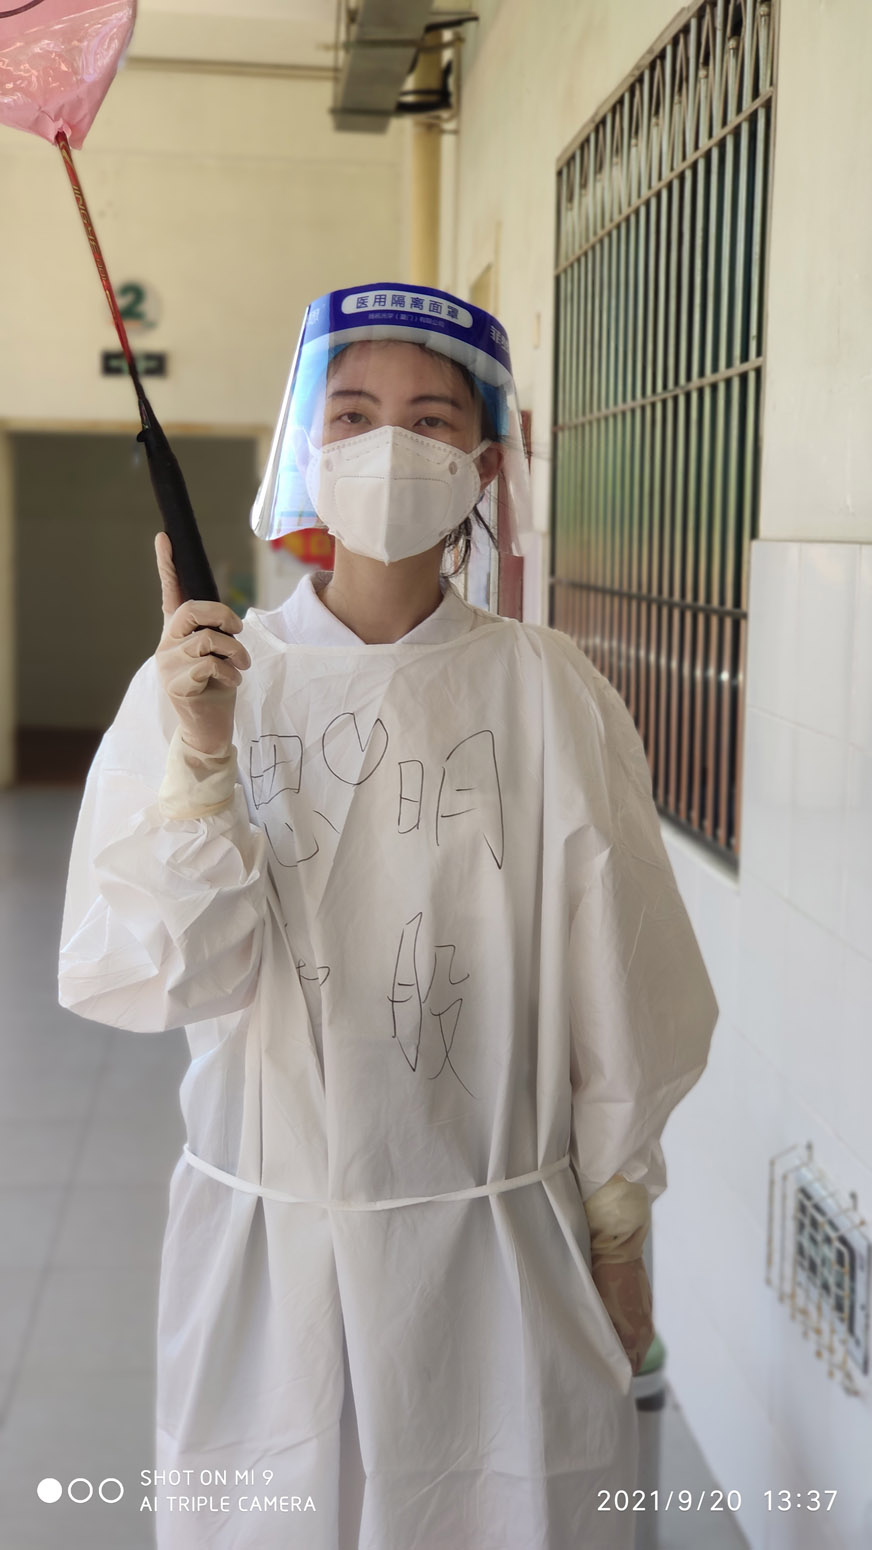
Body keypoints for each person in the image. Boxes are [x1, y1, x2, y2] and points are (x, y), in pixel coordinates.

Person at [58, 281, 719, 1550]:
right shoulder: (207, 680)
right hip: (274, 1255)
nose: (387, 447)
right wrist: (202, 758)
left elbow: (620, 973)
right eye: (353, 415)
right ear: (308, 447)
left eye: (429, 421)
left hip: (498, 1251)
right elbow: (162, 974)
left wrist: (617, 1224)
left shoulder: (546, 691)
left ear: (482, 464)